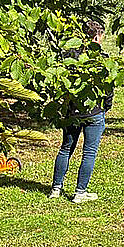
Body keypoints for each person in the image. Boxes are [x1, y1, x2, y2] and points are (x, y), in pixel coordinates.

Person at [49, 20, 113, 203]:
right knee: (89, 152)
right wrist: (106, 106)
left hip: (72, 112)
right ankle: (80, 192)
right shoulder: (102, 59)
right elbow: (108, 88)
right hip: (94, 112)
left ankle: (56, 188)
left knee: (65, 148)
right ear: (96, 37)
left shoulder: (69, 57)